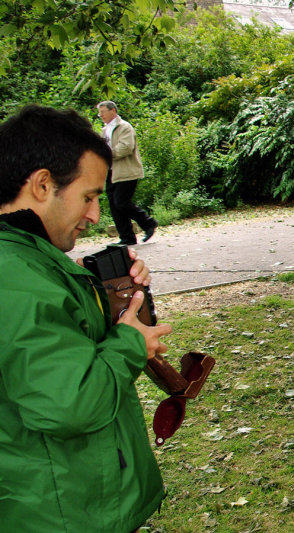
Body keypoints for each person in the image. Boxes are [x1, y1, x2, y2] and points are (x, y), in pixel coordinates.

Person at [0, 105, 173, 531]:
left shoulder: (30, 262)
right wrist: (131, 342)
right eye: (89, 196)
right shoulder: (16, 279)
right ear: (43, 184)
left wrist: (110, 294)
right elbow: (70, 405)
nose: (96, 215)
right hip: (58, 514)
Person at [97, 100, 158, 245]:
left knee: (121, 202)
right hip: (111, 172)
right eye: (99, 113)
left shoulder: (124, 127)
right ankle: (127, 237)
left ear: (113, 111)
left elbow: (126, 147)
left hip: (126, 171)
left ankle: (148, 223)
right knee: (114, 206)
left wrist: (106, 154)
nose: (101, 115)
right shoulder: (105, 130)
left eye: (103, 112)